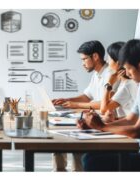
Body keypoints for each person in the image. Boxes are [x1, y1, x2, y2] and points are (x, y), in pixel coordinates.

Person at [81, 39, 140, 171]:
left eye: (128, 69)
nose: (126, 73)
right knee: (89, 157)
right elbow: (129, 119)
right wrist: (96, 126)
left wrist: (102, 126)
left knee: (94, 163)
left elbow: (138, 131)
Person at [51, 40, 118, 171]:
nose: (82, 64)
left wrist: (75, 104)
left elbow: (105, 105)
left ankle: (76, 172)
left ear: (95, 56)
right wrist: (66, 100)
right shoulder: (97, 74)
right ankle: (59, 172)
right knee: (58, 139)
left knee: (71, 140)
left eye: (84, 59)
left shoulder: (111, 74)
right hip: (93, 118)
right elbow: (87, 96)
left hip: (102, 120)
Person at [100, 42, 138, 120]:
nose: (107, 61)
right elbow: (110, 106)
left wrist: (109, 84)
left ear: (118, 63)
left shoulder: (128, 84)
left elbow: (103, 109)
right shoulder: (124, 81)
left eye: (109, 59)